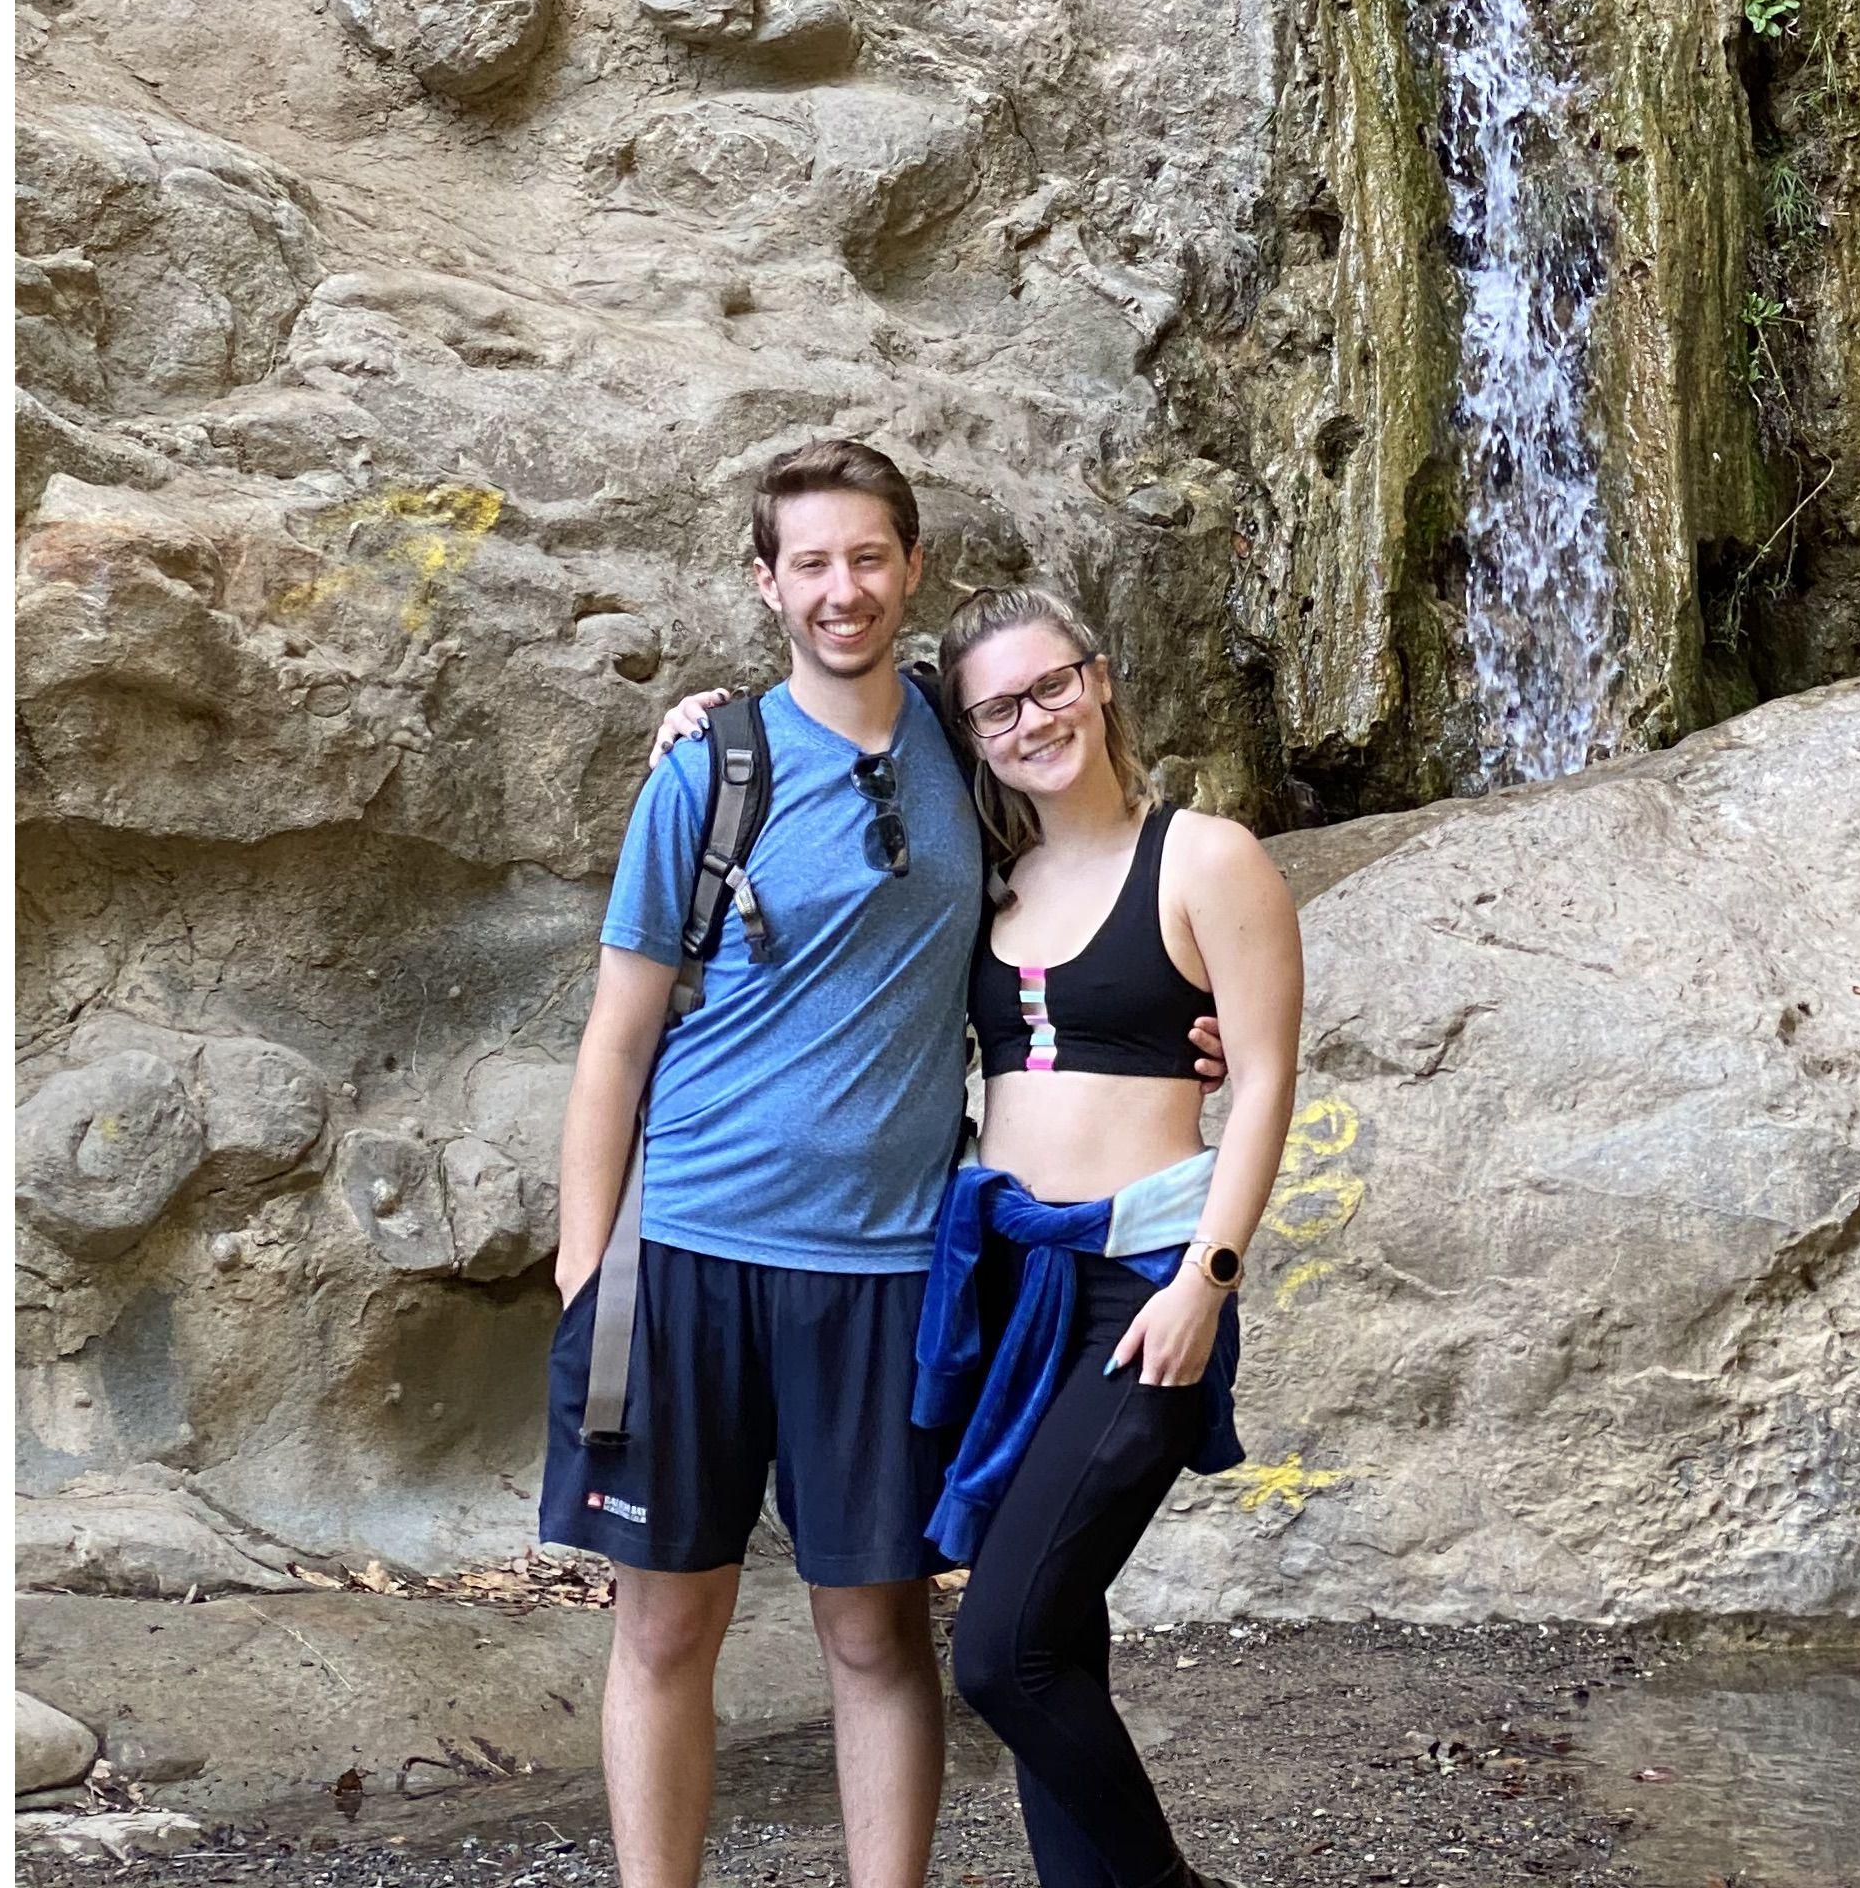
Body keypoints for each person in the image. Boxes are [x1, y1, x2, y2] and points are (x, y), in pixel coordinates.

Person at [542, 439, 979, 1888]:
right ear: (766, 583)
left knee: (877, 1629)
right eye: (812, 563)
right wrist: (586, 1263)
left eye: (868, 557)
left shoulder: (974, 751)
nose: (842, 589)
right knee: (666, 1624)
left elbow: (1088, 904)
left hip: (886, 1267)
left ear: (913, 568)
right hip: (693, 1256)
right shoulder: (708, 773)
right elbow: (615, 1039)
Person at [917, 583, 1304, 1888]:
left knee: (1003, 1649)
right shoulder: (984, 881)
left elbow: (1261, 1086)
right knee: (1056, 1637)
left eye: (1049, 685)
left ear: (1097, 680)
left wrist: (1210, 1276)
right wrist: (697, 733)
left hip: (1145, 1281)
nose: (1032, 719)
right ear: (968, 736)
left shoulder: (1205, 858)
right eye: (997, 708)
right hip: (1010, 1283)